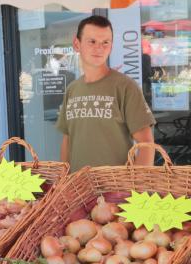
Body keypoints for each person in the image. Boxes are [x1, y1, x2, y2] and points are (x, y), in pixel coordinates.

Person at [57, 15, 155, 171]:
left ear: (111, 46)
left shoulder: (125, 87)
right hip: (78, 190)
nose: (99, 48)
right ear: (77, 44)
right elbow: (68, 140)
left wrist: (133, 186)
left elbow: (146, 143)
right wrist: (64, 180)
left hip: (116, 191)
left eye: (105, 42)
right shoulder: (72, 89)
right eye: (92, 41)